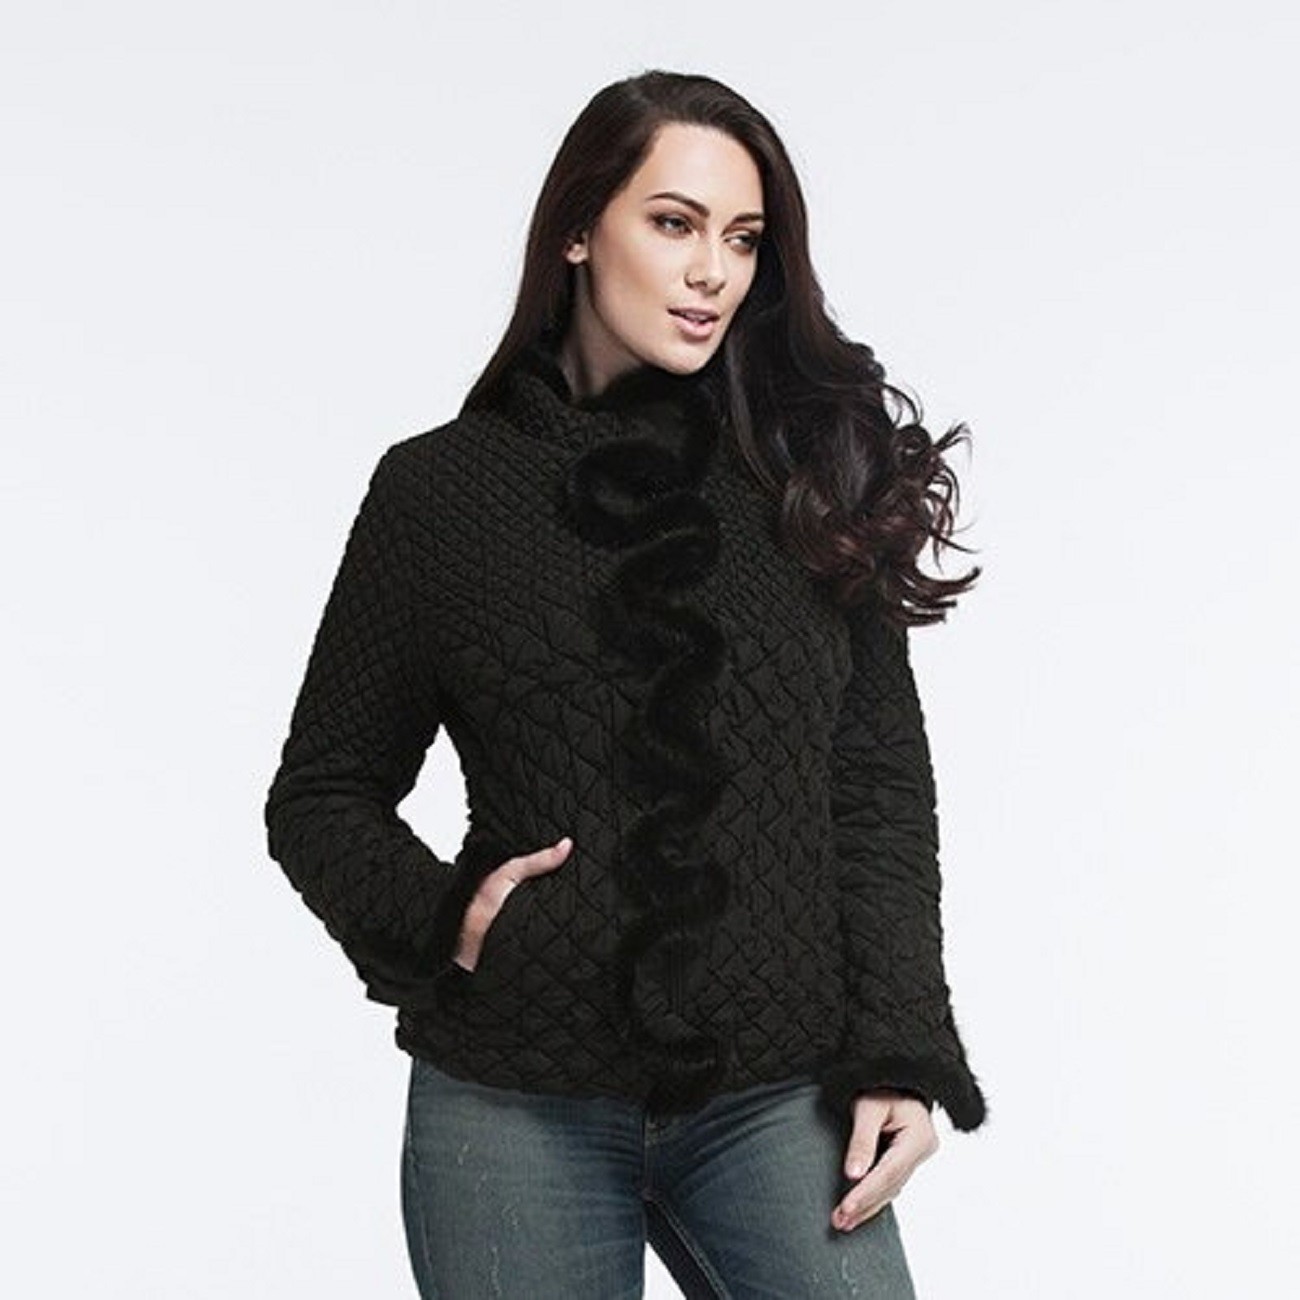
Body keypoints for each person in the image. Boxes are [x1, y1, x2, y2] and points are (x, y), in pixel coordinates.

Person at [263, 68, 989, 1299]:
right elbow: (322, 794)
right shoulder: (437, 494)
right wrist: (445, 917)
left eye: (742, 239)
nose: (711, 271)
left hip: (777, 1093)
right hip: (513, 1101)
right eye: (673, 222)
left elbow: (874, 784)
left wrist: (900, 1044)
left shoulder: (805, 471)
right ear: (577, 229)